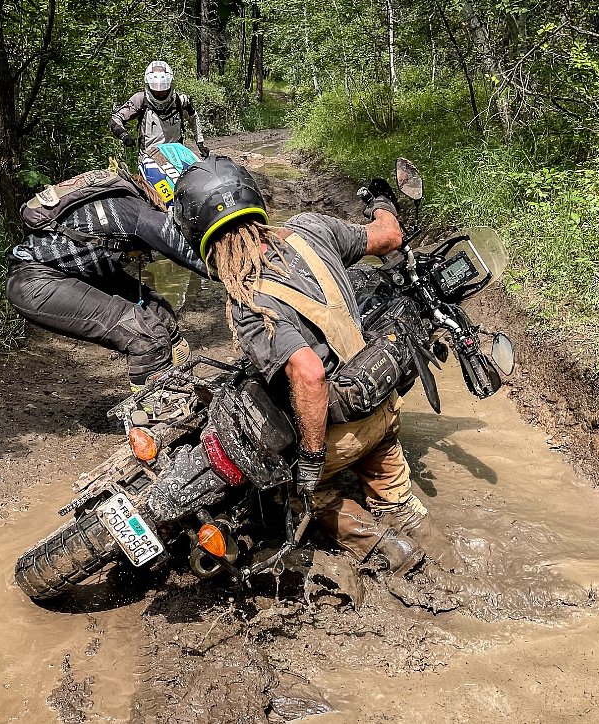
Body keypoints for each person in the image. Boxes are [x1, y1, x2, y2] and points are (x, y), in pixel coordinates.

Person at [171, 156, 430, 575]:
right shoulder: (312, 228)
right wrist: (382, 201)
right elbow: (389, 235)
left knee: (287, 491)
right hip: (383, 412)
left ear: (199, 236)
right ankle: (418, 537)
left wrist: (310, 461)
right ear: (253, 199)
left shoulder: (248, 300)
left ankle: (386, 550)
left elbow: (310, 373)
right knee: (398, 500)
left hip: (338, 439)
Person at [6, 168, 207, 399]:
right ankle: (156, 410)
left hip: (73, 273)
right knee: (146, 336)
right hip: (35, 283)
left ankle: (175, 384)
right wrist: (245, 277)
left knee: (160, 313)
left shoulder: (124, 197)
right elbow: (188, 254)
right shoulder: (134, 210)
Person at [110, 61, 209, 158]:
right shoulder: (140, 100)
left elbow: (193, 117)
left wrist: (200, 143)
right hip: (149, 158)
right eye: (156, 92)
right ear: (149, 87)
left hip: (175, 155)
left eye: (164, 91)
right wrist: (124, 135)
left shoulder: (180, 101)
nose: (160, 94)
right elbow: (115, 119)